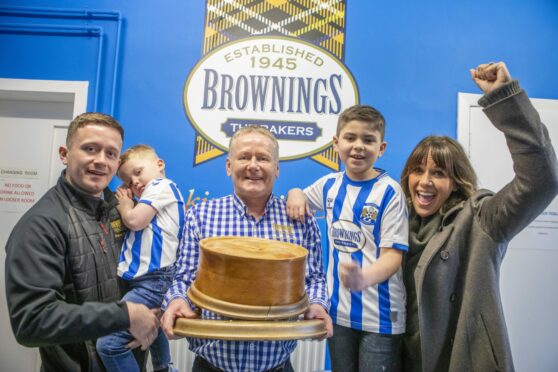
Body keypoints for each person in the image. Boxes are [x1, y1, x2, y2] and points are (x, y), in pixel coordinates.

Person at [400, 62, 558, 372]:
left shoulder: (481, 218)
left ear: (456, 181)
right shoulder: (394, 222)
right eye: (418, 171)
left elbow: (543, 179)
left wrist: (505, 97)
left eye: (439, 173)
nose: (425, 181)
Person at [160, 125, 332, 372]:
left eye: (263, 158)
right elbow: (185, 276)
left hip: (277, 365)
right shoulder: (201, 215)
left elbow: (314, 279)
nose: (253, 165)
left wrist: (316, 305)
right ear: (229, 166)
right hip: (211, 365)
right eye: (244, 157)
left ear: (277, 169)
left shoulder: (301, 221)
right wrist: (176, 299)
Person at [5, 113, 160, 372]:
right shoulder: (41, 224)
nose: (101, 160)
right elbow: (31, 321)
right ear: (65, 154)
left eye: (111, 153)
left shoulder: (123, 212)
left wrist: (156, 313)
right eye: (90, 149)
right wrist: (125, 315)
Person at [287, 105, 409, 372]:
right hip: (339, 314)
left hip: (381, 317)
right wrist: (295, 192)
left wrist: (363, 278)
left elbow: (393, 256)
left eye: (368, 140)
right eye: (350, 138)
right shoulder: (330, 184)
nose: (358, 146)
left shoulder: (390, 192)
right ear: (336, 143)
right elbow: (300, 198)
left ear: (382, 148)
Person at [96, 144, 184, 372]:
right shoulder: (154, 194)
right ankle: (164, 367)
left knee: (108, 344)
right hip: (150, 279)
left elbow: (135, 221)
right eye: (127, 181)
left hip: (154, 279)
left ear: (159, 164)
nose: (134, 183)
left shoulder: (161, 186)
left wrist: (125, 205)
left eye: (137, 172)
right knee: (149, 324)